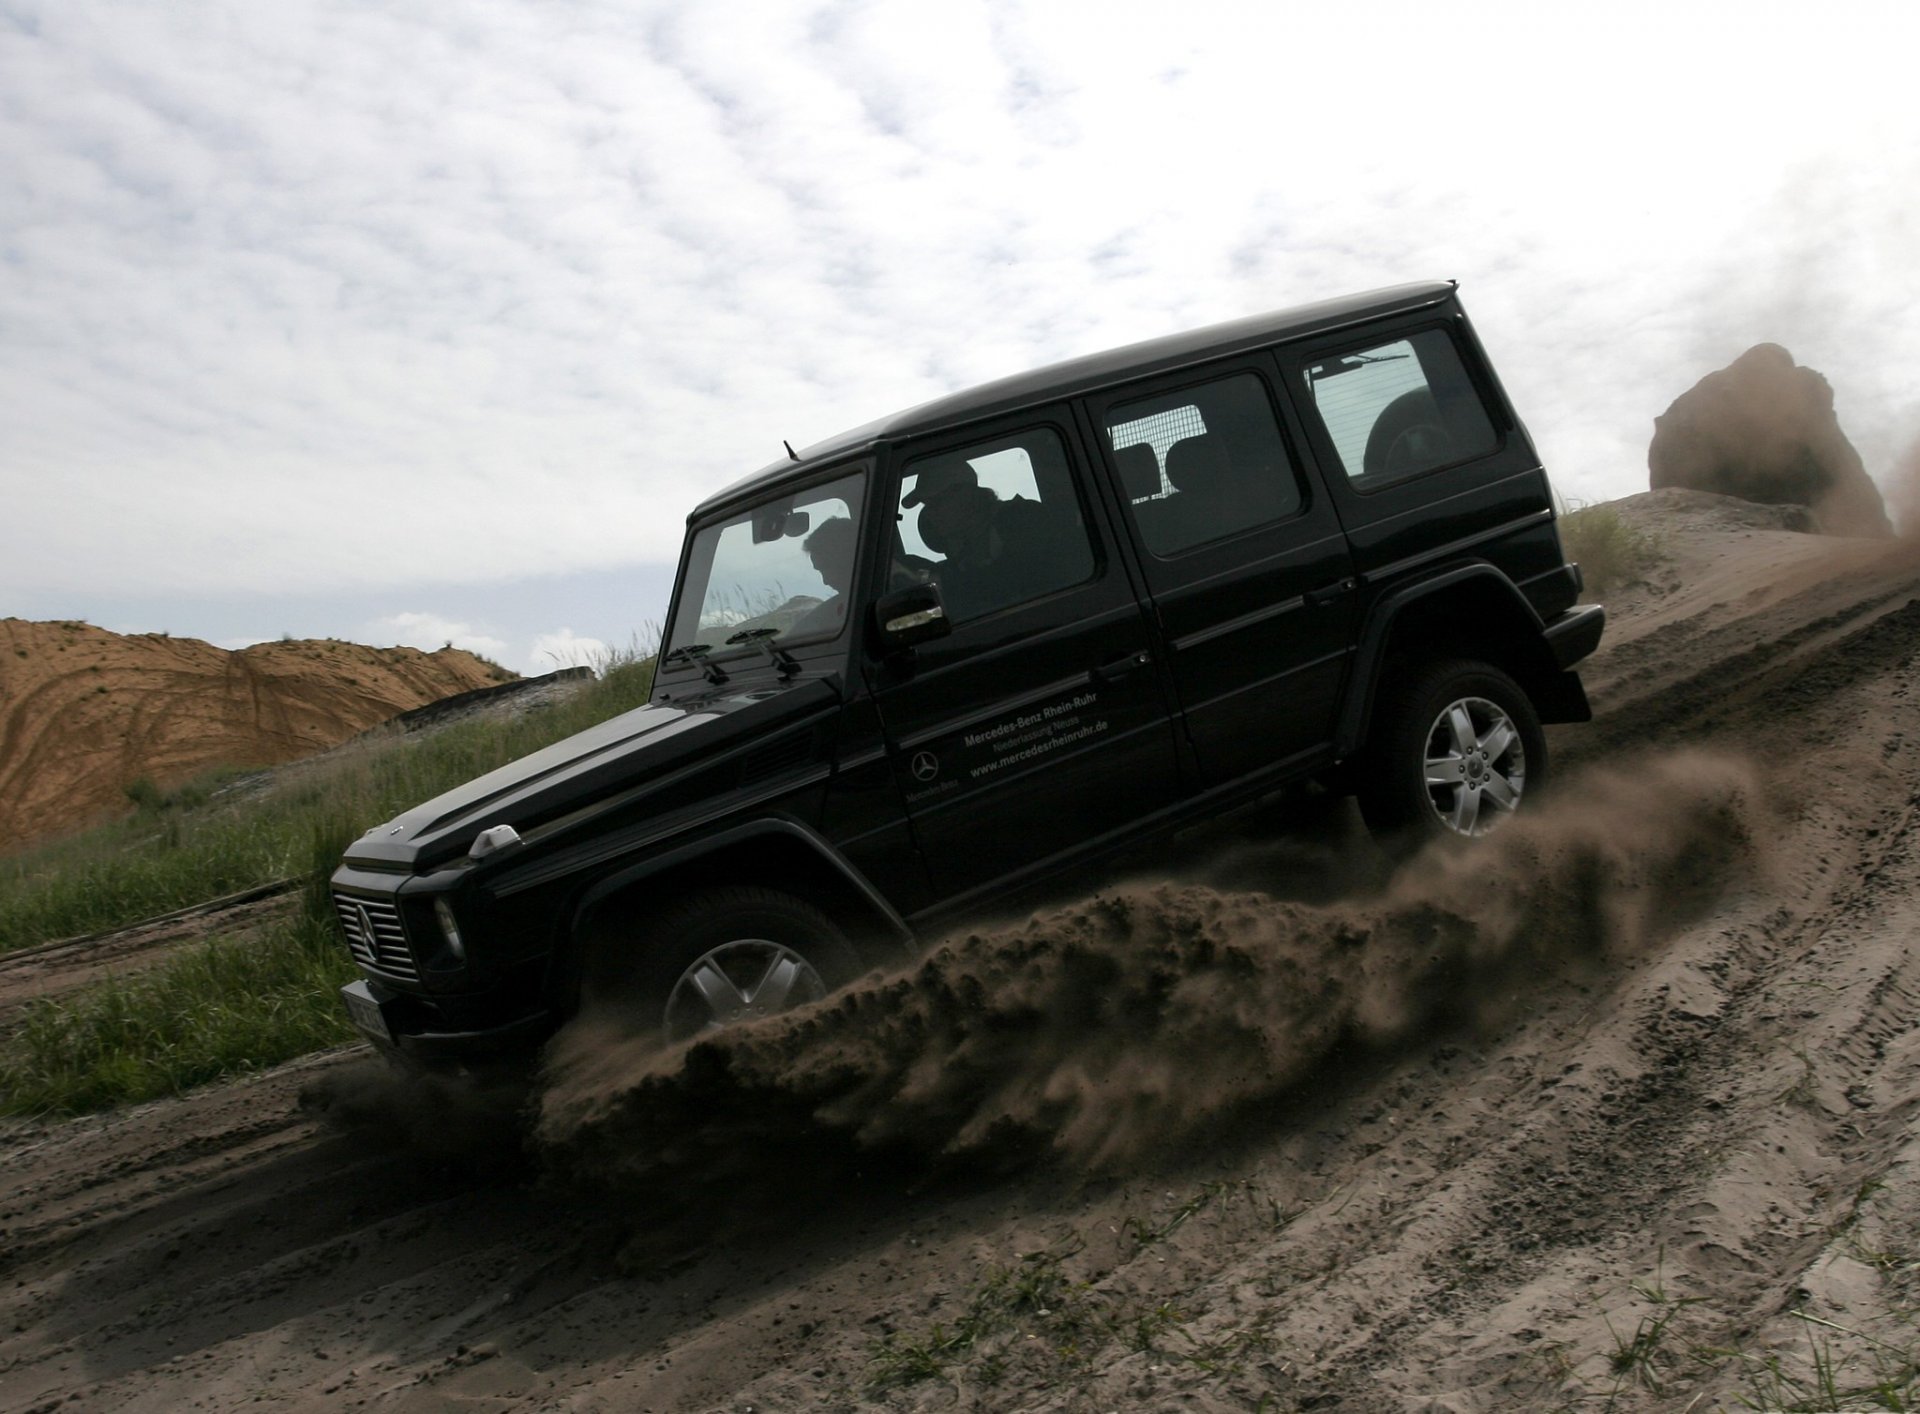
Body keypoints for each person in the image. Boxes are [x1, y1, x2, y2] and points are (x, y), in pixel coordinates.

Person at [904, 463, 1060, 620]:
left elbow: (1009, 581)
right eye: (927, 507)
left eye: (935, 504)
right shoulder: (964, 546)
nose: (929, 515)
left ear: (965, 495)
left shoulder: (1023, 519)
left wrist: (940, 582)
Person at [783, 515, 857, 639]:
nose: (825, 581)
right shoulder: (833, 610)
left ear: (846, 558)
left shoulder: (891, 589)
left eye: (826, 568)